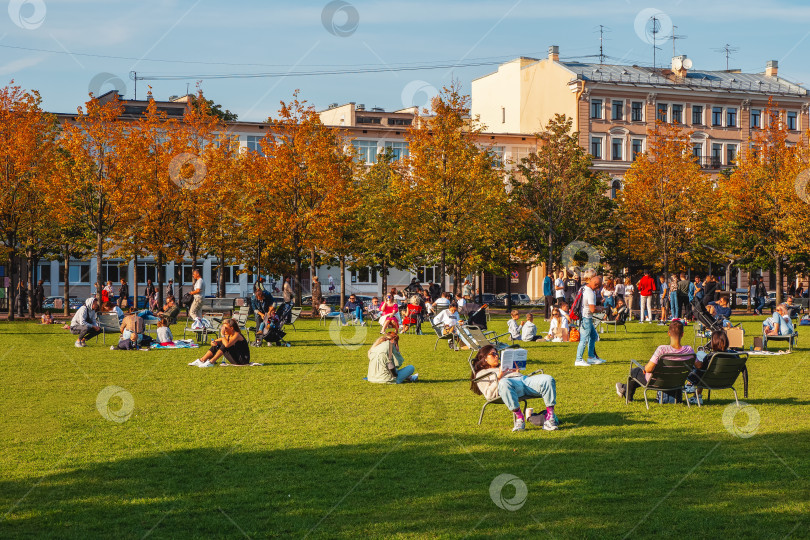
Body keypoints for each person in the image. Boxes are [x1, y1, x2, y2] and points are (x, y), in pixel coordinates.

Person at [471, 345, 558, 432]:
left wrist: (516, 372)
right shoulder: (482, 374)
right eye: (493, 354)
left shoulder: (503, 367)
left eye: (497, 353)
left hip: (523, 380)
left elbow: (521, 378)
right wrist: (500, 376)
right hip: (509, 386)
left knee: (547, 379)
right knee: (504, 382)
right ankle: (520, 418)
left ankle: (550, 419)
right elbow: (489, 395)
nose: (497, 356)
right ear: (485, 358)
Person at [614, 320, 697, 402]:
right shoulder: (689, 350)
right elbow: (698, 365)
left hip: (658, 382)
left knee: (635, 372)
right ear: (682, 334)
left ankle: (627, 394)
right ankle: (623, 388)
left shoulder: (662, 350)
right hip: (677, 382)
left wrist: (645, 367)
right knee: (640, 372)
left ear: (668, 333)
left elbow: (648, 369)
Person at [685, 330, 730, 405]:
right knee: (700, 356)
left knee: (698, 363)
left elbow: (701, 370)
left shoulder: (710, 357)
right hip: (726, 381)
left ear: (713, 342)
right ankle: (696, 396)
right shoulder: (733, 355)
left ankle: (691, 387)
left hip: (708, 381)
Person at [575, 271, 605, 367]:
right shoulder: (590, 293)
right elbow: (592, 309)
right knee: (584, 339)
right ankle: (578, 359)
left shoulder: (583, 288)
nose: (599, 288)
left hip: (583, 316)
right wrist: (600, 309)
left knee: (593, 336)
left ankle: (591, 357)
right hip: (586, 317)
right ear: (595, 284)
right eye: (599, 286)